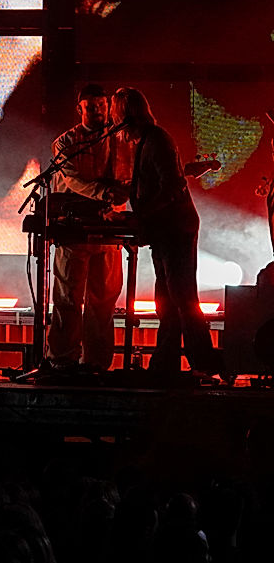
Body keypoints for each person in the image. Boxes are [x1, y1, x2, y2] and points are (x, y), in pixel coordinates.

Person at [110, 87, 225, 380]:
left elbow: (171, 187)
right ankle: (167, 362)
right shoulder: (150, 140)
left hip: (176, 228)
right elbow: (165, 178)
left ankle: (204, 361)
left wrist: (141, 215)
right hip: (169, 229)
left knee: (181, 296)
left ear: (124, 114)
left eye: (114, 112)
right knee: (169, 298)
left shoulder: (155, 140)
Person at [44, 84, 130, 375]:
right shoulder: (66, 142)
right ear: (79, 108)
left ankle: (97, 363)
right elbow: (72, 180)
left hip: (107, 234)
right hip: (72, 232)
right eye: (91, 106)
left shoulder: (120, 139)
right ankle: (62, 360)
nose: (97, 111)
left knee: (103, 302)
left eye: (102, 105)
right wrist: (105, 194)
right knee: (68, 299)